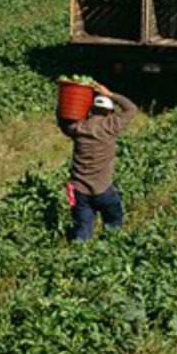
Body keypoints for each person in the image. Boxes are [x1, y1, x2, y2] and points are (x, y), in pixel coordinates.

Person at [58, 84, 138, 241]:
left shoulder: (79, 128)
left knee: (82, 232)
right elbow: (131, 109)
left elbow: (63, 121)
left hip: (80, 191)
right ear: (109, 112)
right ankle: (107, 249)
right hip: (103, 189)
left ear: (91, 110)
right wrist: (110, 94)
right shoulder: (110, 126)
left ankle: (80, 258)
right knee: (114, 220)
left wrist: (63, 102)